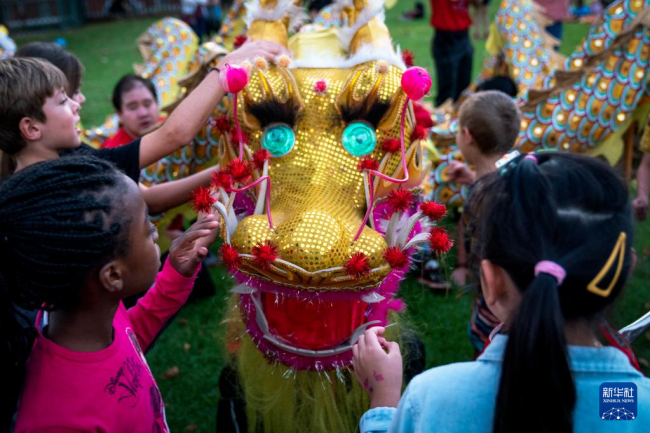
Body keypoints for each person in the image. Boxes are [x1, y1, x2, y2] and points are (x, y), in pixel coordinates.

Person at [354, 152, 650, 432]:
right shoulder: (627, 401)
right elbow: (611, 420)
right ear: (622, 272)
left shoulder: (434, 397)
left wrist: (384, 399)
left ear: (491, 282)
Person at [0, 156, 219, 431]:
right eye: (145, 226)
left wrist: (176, 274)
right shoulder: (60, 421)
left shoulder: (88, 314)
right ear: (113, 275)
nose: (155, 231)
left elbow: (129, 341)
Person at [4, 40, 287, 212]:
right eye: (66, 97)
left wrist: (233, 167)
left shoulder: (68, 161)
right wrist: (222, 70)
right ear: (30, 126)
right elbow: (173, 136)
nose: (80, 102)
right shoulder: (71, 174)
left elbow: (149, 199)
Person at [444, 91, 520, 353]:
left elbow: (482, 250)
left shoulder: (482, 198)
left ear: (467, 136)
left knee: (489, 357)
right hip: (521, 295)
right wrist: (471, 177)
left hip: (497, 306)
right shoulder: (518, 171)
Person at [429, 0, 473, 106]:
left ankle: (460, 119)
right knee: (447, 93)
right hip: (446, 36)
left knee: (463, 90)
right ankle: (443, 119)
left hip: (464, 34)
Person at [102, 74, 163, 149]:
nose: (143, 113)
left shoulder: (173, 129)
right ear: (119, 114)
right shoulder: (111, 152)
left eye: (147, 104)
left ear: (157, 103)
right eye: (133, 108)